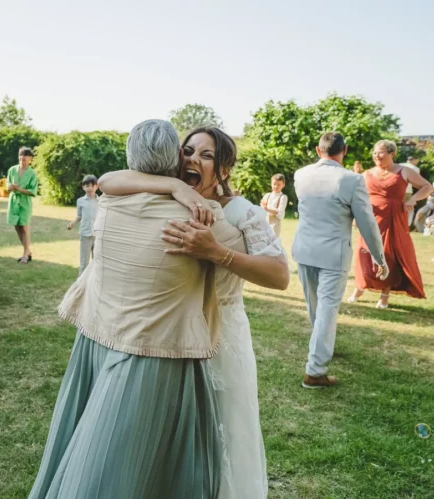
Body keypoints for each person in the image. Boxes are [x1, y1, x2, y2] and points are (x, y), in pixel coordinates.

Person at [30, 120, 240, 499]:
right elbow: (268, 271)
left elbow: (109, 179)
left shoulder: (108, 202)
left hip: (98, 339)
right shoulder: (204, 219)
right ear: (176, 159)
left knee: (92, 451)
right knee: (127, 468)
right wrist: (181, 189)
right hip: (152, 353)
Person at [97, 124, 290, 499]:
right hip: (171, 337)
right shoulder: (170, 192)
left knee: (221, 436)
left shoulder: (240, 212)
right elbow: (107, 181)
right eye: (188, 151)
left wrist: (216, 252)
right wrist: (175, 187)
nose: (192, 160)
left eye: (206, 155)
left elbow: (280, 275)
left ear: (224, 170)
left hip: (222, 340)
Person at [293, 132, 388, 389]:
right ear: (343, 150)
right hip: (333, 252)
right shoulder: (351, 179)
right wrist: (379, 256)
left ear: (317, 149)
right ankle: (315, 371)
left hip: (304, 249)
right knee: (326, 309)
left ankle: (321, 348)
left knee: (315, 305)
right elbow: (366, 222)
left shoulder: (300, 175)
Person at [347, 140, 432, 308]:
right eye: (374, 153)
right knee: (364, 252)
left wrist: (413, 199)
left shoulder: (404, 171)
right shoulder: (367, 174)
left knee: (388, 254)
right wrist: (356, 215)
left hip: (394, 219)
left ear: (392, 154)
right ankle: (359, 287)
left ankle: (385, 294)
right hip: (371, 217)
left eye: (380, 152)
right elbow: (358, 197)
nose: (376, 156)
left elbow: (427, 187)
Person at [6, 147, 39, 263]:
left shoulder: (32, 174)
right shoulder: (12, 170)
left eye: (25, 158)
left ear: (30, 159)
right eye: (20, 158)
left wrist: (19, 189)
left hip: (25, 203)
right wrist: (11, 187)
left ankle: (25, 254)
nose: (22, 160)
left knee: (24, 227)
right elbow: (8, 185)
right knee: (17, 227)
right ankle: (28, 251)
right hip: (14, 202)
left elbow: (33, 191)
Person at [66, 175, 99, 275]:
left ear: (96, 186)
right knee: (84, 262)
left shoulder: (101, 201)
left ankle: (94, 282)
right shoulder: (80, 201)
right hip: (85, 234)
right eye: (87, 185)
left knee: (97, 261)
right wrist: (72, 223)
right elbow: (79, 216)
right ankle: (81, 285)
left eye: (92, 185)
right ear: (83, 187)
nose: (90, 187)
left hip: (98, 235)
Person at [402, 156, 421, 227]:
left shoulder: (399, 165)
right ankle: (407, 225)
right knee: (409, 208)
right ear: (414, 160)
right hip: (408, 190)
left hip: (397, 190)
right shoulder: (415, 169)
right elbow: (416, 181)